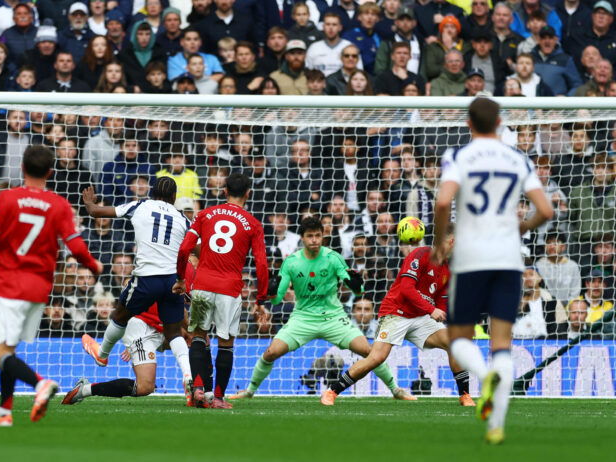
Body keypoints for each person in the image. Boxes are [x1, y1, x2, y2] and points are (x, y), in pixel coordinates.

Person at [431, 98, 553, 444]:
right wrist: (521, 227)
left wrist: (440, 243)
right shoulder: (518, 159)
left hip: (471, 256)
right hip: (508, 259)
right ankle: (496, 426)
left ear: (469, 124)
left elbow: (442, 202)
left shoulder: (458, 156)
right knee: (502, 344)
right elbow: (545, 209)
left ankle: (483, 376)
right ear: (499, 122)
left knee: (458, 339)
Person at [0, 145, 103, 427]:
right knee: (9, 350)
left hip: (9, 284)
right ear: (50, 172)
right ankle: (4, 413)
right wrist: (94, 265)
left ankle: (40, 383)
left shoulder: (7, 198)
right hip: (39, 289)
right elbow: (75, 245)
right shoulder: (59, 205)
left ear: (21, 168)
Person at [232, 216, 413, 402]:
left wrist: (356, 284)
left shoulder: (333, 258)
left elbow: (357, 290)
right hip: (303, 318)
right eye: (310, 236)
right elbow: (277, 299)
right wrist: (270, 294)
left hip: (333, 318)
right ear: (302, 237)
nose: (314, 240)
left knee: (369, 351)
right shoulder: (292, 262)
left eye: (318, 236)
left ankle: (396, 389)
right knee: (270, 352)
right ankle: (250, 390)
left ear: (323, 236)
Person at [321, 223, 475, 407]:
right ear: (453, 241)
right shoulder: (421, 255)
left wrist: (446, 315)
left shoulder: (447, 269)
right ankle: (332, 391)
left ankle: (465, 395)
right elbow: (406, 288)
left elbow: (441, 300)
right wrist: (431, 309)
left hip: (420, 317)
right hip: (397, 312)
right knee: (376, 358)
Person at [79, 176, 193, 406]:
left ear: (152, 192)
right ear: (174, 197)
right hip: (172, 280)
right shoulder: (182, 218)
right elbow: (196, 245)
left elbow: (97, 213)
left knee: (120, 315)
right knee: (174, 333)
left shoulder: (140, 205)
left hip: (146, 278)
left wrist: (89, 203)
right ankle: (189, 376)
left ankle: (102, 354)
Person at [167, 173, 269, 408]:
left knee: (198, 337)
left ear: (224, 192)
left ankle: (200, 388)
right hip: (230, 289)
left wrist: (181, 278)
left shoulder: (204, 215)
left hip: (202, 286)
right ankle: (219, 398)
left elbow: (184, 249)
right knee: (226, 343)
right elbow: (262, 264)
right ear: (248, 194)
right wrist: (261, 299)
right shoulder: (253, 224)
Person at [63, 257, 198, 405]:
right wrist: (133, 342)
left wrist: (191, 331)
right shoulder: (174, 265)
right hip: (142, 327)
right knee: (145, 387)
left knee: (191, 338)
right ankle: (85, 388)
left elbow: (180, 309)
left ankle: (195, 386)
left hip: (162, 329)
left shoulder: (188, 270)